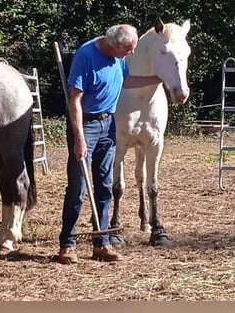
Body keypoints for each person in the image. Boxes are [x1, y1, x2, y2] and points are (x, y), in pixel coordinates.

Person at [57, 23, 162, 264]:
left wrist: (155, 78)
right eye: (129, 48)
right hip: (86, 125)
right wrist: (79, 138)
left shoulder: (118, 57)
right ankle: (67, 244)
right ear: (116, 45)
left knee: (104, 186)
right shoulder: (86, 56)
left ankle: (101, 243)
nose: (131, 53)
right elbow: (75, 100)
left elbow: (126, 80)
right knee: (78, 187)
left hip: (109, 125)